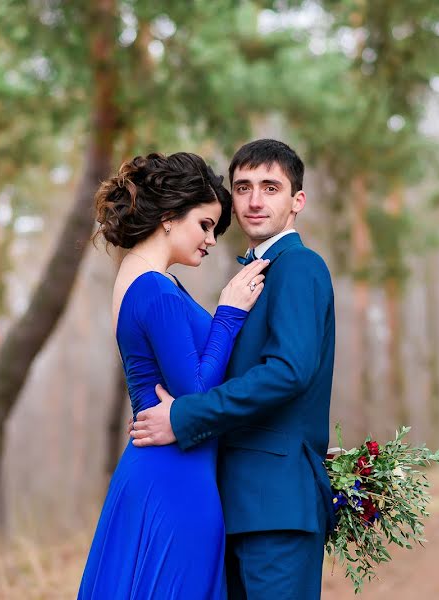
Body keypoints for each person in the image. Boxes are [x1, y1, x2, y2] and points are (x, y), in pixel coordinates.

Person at [131, 139, 336, 600]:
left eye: (271, 187)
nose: (255, 200)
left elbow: (288, 372)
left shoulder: (300, 267)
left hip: (276, 509)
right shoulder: (256, 274)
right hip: (238, 505)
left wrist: (184, 416)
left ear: (297, 201)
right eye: (243, 187)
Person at [77, 151, 270, 599]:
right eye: (205, 225)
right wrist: (228, 313)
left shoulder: (141, 277)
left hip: (166, 470)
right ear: (168, 217)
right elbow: (195, 393)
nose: (210, 240)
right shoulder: (155, 289)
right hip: (174, 478)